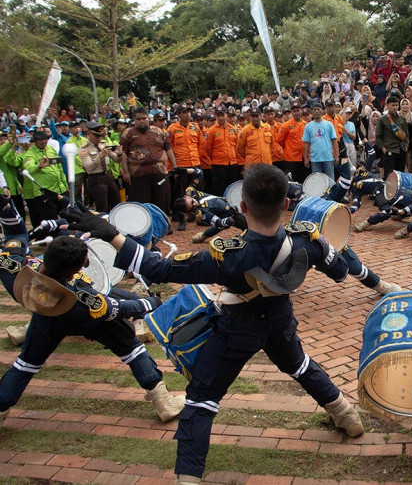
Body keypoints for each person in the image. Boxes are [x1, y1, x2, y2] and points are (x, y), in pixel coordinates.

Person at [62, 164, 364, 484]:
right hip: (279, 322)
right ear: (286, 204)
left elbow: (159, 268)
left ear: (243, 206)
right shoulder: (307, 240)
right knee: (301, 366)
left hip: (237, 330)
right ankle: (348, 417)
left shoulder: (227, 257)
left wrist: (110, 232)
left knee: (201, 400)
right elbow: (342, 271)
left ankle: (188, 478)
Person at [0, 200, 183, 427]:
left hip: (47, 317)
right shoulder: (87, 300)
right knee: (132, 349)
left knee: (26, 365)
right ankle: (163, 401)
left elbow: (15, 236)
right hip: (88, 317)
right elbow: (118, 308)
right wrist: (150, 303)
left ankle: (1, 407)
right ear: (78, 269)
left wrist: (7, 210)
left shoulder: (15, 271)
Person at [120, 108, 175, 217]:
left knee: (162, 200)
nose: (141, 121)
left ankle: (163, 225)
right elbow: (123, 153)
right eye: (138, 119)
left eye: (144, 118)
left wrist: (175, 166)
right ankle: (145, 228)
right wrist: (125, 172)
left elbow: (168, 148)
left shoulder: (158, 131)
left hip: (160, 171)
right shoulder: (128, 133)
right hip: (138, 173)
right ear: (134, 120)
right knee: (142, 203)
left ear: (148, 119)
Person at [22, 130, 68, 228]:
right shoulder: (30, 154)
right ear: (35, 140)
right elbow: (29, 168)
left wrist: (65, 184)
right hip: (45, 193)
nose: (43, 141)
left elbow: (59, 167)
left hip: (59, 189)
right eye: (40, 140)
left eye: (45, 139)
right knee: (50, 221)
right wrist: (38, 166)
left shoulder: (51, 149)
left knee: (67, 216)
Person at [168, 106, 204, 230]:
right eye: (184, 112)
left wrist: (196, 158)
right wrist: (174, 167)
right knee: (180, 193)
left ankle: (196, 215)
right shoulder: (172, 128)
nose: (187, 115)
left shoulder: (195, 126)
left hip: (195, 162)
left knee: (196, 191)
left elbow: (200, 144)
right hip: (181, 165)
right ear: (178, 114)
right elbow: (169, 148)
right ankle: (180, 219)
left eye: (188, 112)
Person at [173, 186, 248, 243]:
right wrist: (233, 217)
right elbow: (220, 223)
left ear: (186, 196)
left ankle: (203, 235)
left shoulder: (193, 193)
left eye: (192, 201)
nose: (195, 203)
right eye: (192, 207)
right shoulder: (204, 214)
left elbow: (199, 173)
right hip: (235, 215)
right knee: (251, 231)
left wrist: (186, 171)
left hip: (232, 199)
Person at [78, 121, 121, 213]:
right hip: (96, 178)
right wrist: (99, 156)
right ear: (89, 134)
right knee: (102, 206)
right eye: (97, 136)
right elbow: (89, 168)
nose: (99, 138)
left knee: (116, 203)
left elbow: (116, 159)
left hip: (108, 176)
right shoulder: (84, 148)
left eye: (101, 135)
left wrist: (120, 153)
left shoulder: (103, 144)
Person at [205, 105, 239, 197]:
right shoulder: (211, 131)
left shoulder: (233, 129)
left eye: (222, 115)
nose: (220, 117)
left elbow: (236, 145)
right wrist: (216, 158)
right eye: (218, 115)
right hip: (218, 164)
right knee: (219, 188)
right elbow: (208, 148)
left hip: (232, 163)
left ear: (226, 115)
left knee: (232, 187)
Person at [374, 96, 409, 179]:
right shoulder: (383, 119)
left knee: (400, 175)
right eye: (393, 105)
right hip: (389, 150)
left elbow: (406, 135)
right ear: (387, 105)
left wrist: (405, 146)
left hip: (401, 150)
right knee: (389, 176)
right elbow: (378, 137)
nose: (395, 107)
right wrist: (384, 150)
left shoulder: (402, 118)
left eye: (396, 105)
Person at [302, 104, 338, 179]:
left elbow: (334, 140)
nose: (316, 111)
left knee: (330, 180)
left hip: (328, 157)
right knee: (317, 181)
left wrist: (337, 155)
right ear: (312, 111)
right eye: (314, 109)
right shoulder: (308, 126)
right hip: (315, 159)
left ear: (322, 111)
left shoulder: (329, 124)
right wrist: (305, 158)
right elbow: (307, 143)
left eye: (318, 109)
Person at [277, 103, 307, 182]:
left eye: (298, 110)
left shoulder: (306, 125)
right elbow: (280, 140)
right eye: (294, 111)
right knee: (292, 181)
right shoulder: (286, 125)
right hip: (291, 158)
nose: (296, 113)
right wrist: (288, 147)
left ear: (301, 111)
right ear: (291, 113)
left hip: (304, 157)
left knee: (303, 179)